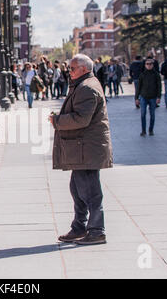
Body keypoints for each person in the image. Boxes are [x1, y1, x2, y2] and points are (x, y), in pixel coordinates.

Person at [49, 54, 113, 245]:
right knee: (77, 190)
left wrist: (57, 121)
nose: (69, 71)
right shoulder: (83, 85)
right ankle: (79, 227)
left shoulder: (86, 88)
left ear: (84, 69)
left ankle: (96, 231)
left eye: (73, 68)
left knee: (90, 192)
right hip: (82, 148)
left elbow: (81, 119)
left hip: (87, 148)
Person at [135, 59, 162, 136]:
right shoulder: (142, 75)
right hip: (143, 97)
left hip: (153, 97)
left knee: (152, 114)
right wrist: (136, 98)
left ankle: (151, 130)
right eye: (147, 64)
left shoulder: (156, 74)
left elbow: (159, 86)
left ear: (153, 65)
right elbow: (138, 87)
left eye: (150, 64)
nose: (149, 65)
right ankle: (143, 131)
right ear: (145, 65)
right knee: (143, 114)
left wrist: (159, 97)